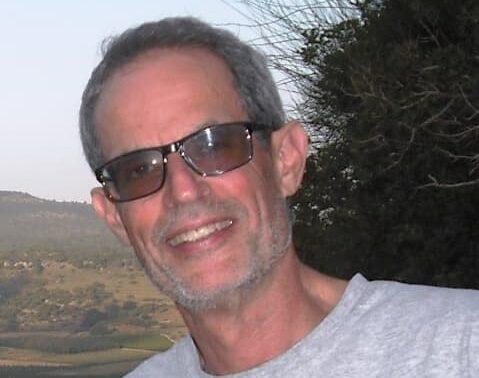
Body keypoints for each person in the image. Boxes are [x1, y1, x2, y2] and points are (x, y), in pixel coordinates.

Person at [79, 17, 479, 377]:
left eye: (215, 145)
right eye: (139, 171)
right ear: (114, 216)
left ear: (286, 160)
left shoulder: (460, 345)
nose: (182, 191)